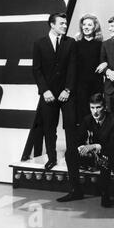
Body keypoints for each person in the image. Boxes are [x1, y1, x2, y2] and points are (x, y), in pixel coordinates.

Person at [57, 93, 114, 207]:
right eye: (92, 108)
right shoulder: (87, 119)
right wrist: (81, 147)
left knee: (105, 159)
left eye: (98, 107)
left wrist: (94, 146)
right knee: (70, 153)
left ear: (105, 107)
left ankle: (105, 195)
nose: (95, 111)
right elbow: (78, 139)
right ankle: (76, 191)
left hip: (108, 157)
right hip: (92, 157)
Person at [32, 12, 76, 170]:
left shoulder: (70, 42)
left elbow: (73, 68)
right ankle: (52, 158)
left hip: (66, 93)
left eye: (65, 23)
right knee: (49, 127)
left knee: (71, 126)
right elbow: (36, 70)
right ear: (52, 24)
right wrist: (45, 91)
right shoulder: (39, 43)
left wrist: (68, 89)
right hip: (48, 94)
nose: (65, 26)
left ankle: (73, 158)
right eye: (62, 23)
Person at [74, 14, 104, 124]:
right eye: (84, 24)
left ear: (95, 27)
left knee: (97, 116)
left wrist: (105, 63)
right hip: (80, 86)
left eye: (89, 25)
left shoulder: (101, 45)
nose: (86, 27)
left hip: (96, 85)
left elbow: (107, 60)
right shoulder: (76, 45)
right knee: (81, 116)